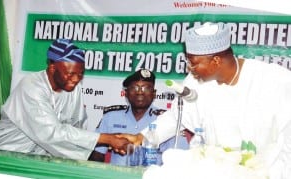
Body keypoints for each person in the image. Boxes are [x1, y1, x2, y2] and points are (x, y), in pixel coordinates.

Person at [120, 22, 291, 178]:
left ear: (216, 61)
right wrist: (141, 138)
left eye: (193, 63)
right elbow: (176, 117)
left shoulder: (274, 80)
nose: (189, 68)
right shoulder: (195, 83)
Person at [0, 39, 130, 160]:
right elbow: (50, 133)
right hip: (4, 153)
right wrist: (106, 139)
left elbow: (78, 125)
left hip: (40, 159)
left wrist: (101, 143)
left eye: (80, 74)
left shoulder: (73, 89)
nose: (76, 80)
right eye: (70, 74)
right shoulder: (31, 86)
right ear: (52, 68)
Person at [89, 69, 190, 166]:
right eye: (134, 88)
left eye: (146, 88)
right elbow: (96, 155)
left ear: (154, 94)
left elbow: (179, 159)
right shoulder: (110, 117)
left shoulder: (167, 122)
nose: (140, 92)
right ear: (126, 93)